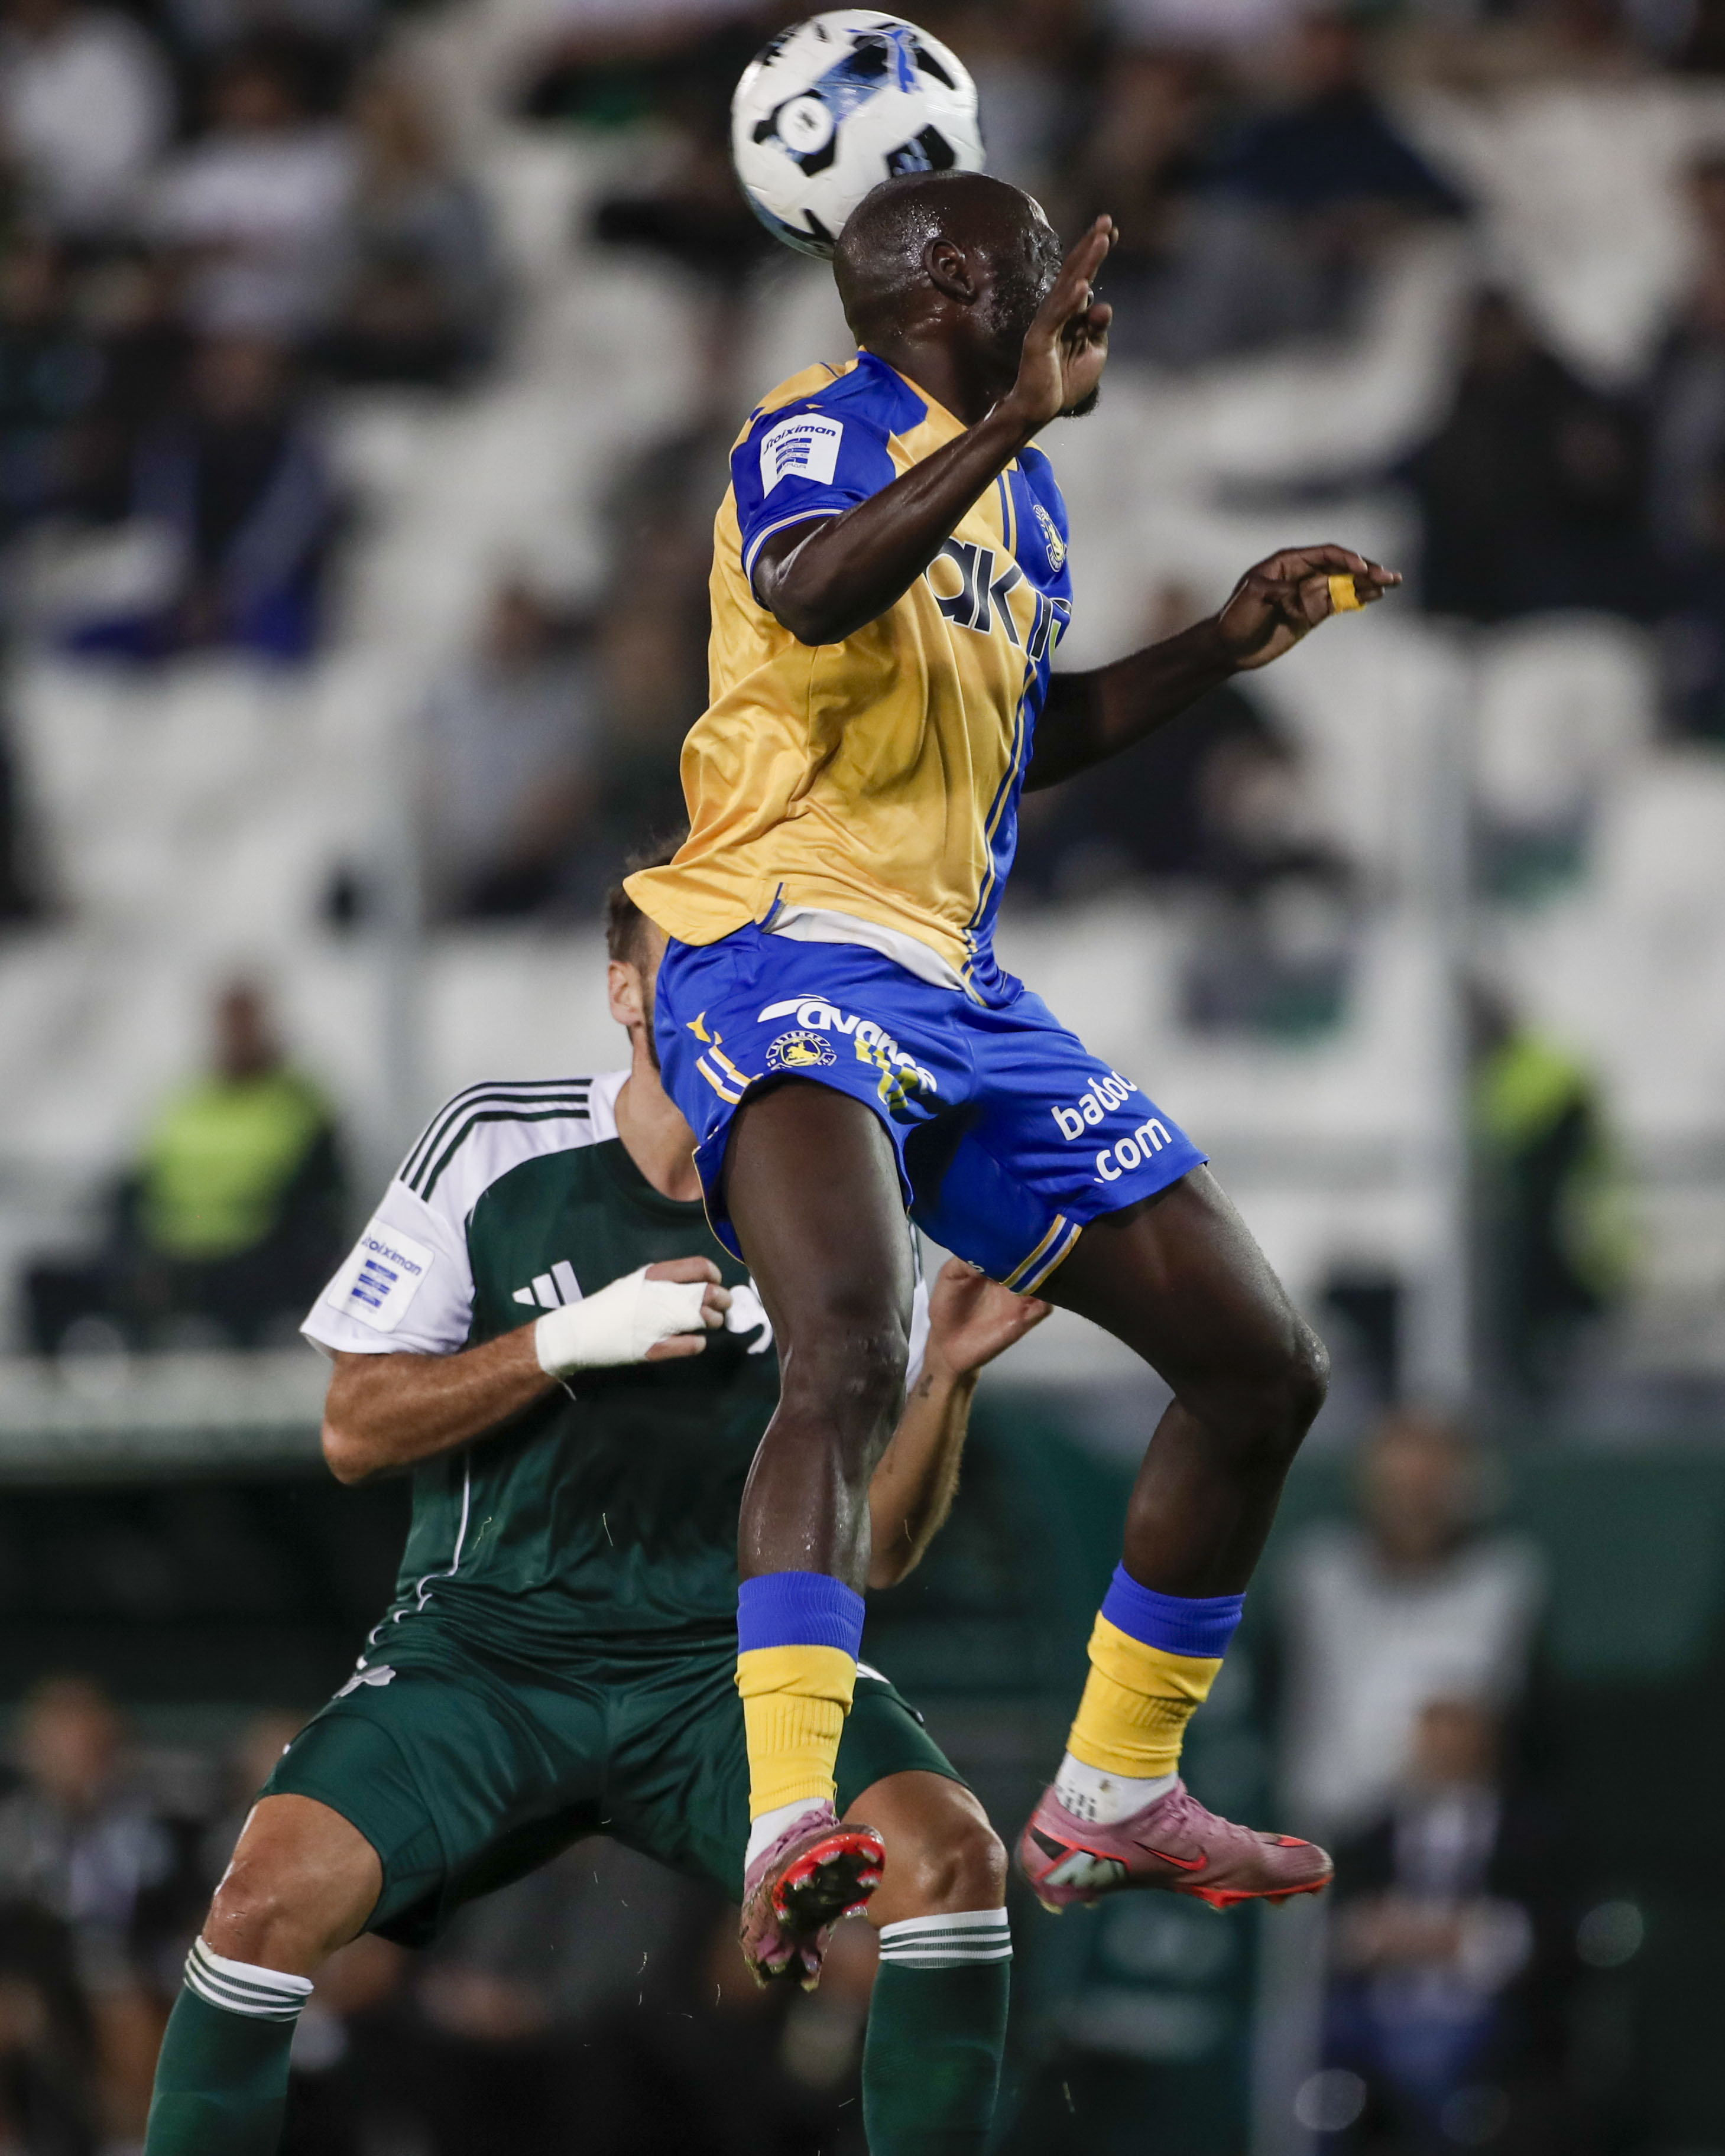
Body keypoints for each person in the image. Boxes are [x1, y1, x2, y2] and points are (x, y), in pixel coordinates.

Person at [622, 165, 1399, 1982]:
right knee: (847, 1349)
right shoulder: (815, 430)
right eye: (1050, 269)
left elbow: (1013, 736)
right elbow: (813, 591)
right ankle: (787, 1817)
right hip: (775, 939)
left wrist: (1223, 645)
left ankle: (1114, 1786)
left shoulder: (1024, 499)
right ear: (961, 284)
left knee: (1260, 1364)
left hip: (957, 985)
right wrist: (1006, 431)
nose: (1079, 302)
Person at [143, 860, 1051, 2156]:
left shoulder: (842, 1192)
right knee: (260, 1902)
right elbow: (353, 1427)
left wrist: (947, 1376)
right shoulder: (496, 1144)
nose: (734, 1000)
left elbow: (879, 1550)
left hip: (733, 1673)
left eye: (755, 971)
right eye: (697, 969)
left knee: (955, 1860)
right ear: (624, 991)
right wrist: (563, 1341)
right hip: (486, 1655)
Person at [25, 979, 346, 1352]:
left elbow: (316, 1200)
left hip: (250, 1257)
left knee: (240, 1288)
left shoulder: (300, 1103)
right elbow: (138, 1180)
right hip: (167, 1252)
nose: (236, 1035)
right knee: (49, 1282)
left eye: (246, 1022)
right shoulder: (187, 1100)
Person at [1274, 1409, 1546, 1843]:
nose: (1412, 1509)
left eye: (1429, 1491)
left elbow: (1481, 1728)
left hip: (1443, 1841)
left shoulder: (1502, 1581)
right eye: (1397, 1490)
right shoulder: (1319, 1576)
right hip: (1324, 1833)